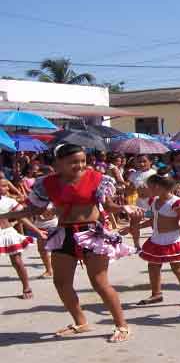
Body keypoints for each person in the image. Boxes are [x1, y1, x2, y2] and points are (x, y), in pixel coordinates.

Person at [0, 144, 139, 343]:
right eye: (73, 162)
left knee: (100, 283)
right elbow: (32, 209)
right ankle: (80, 322)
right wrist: (5, 215)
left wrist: (124, 207)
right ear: (58, 163)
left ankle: (122, 325)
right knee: (61, 283)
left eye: (82, 161)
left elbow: (108, 205)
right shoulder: (46, 184)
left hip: (92, 233)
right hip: (63, 234)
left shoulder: (97, 178)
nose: (80, 165)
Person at [133, 169, 180, 308]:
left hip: (172, 240)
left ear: (157, 187)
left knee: (177, 268)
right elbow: (154, 220)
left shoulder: (177, 203)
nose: (147, 190)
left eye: (149, 187)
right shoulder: (154, 201)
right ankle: (156, 294)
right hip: (157, 239)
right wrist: (135, 227)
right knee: (153, 266)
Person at [0, 179, 47, 299]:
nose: (6, 188)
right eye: (3, 186)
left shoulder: (8, 201)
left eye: (6, 186)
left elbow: (22, 217)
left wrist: (37, 231)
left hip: (6, 234)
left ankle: (26, 287)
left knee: (17, 262)